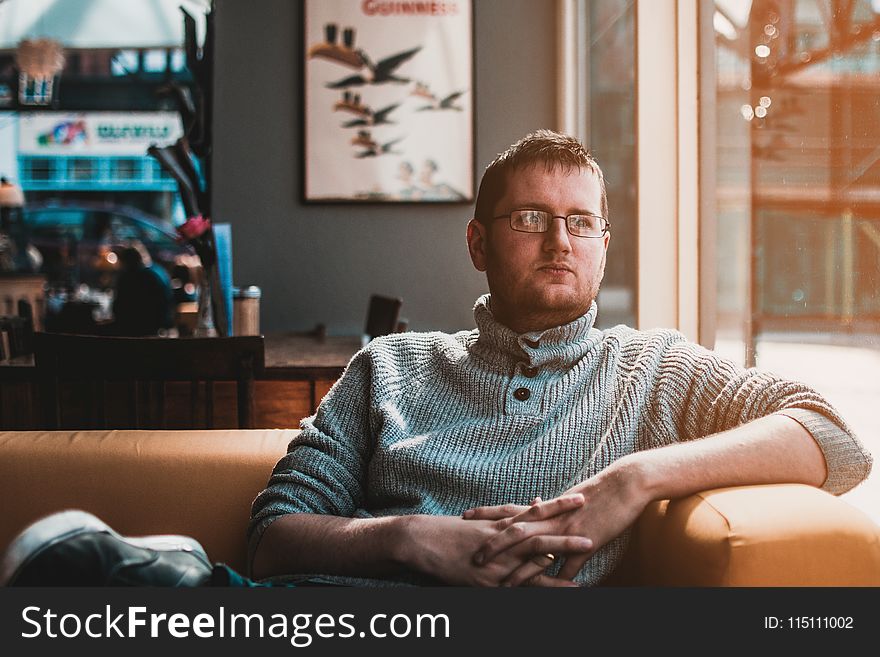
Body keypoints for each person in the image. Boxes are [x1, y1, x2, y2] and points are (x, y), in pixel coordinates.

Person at [247, 130, 872, 587]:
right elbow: (271, 540)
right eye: (529, 218)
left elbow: (835, 441)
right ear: (478, 242)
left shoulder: (652, 370)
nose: (559, 242)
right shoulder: (389, 366)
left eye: (581, 222)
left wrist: (632, 480)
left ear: (604, 243)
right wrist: (410, 539)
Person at [111, 241, 175, 336]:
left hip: (136, 329)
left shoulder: (130, 278)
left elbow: (119, 306)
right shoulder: (158, 271)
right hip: (160, 326)